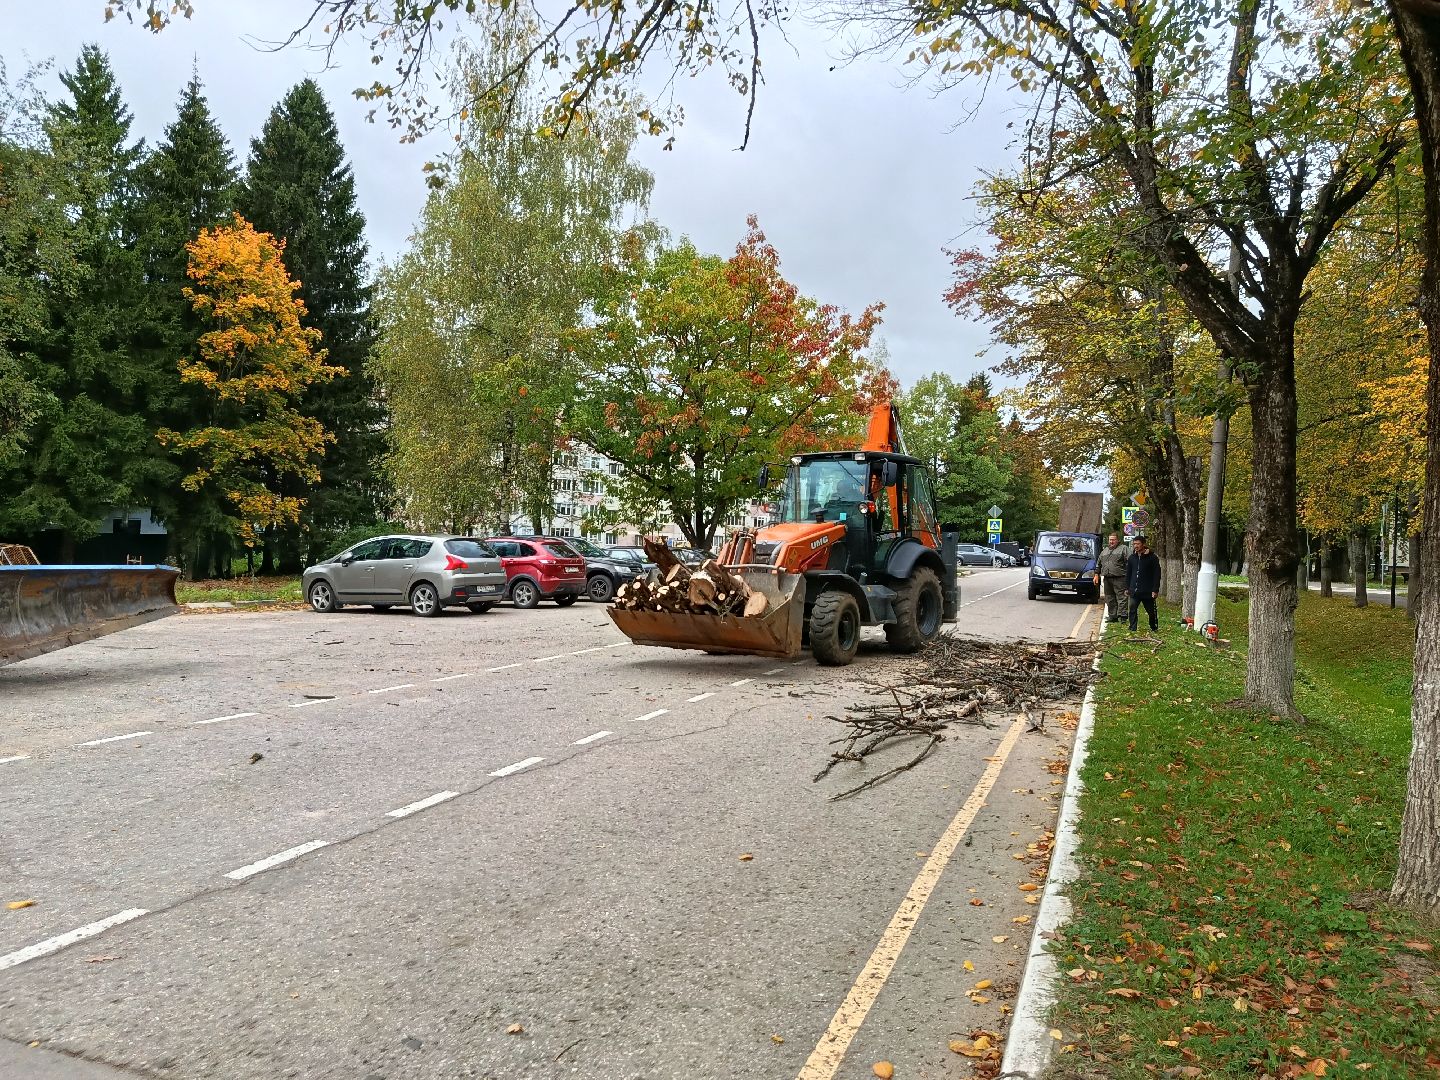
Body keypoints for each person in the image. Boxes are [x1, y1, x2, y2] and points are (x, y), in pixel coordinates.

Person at [1126, 534, 1162, 632]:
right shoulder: (1132, 558)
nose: (1136, 546)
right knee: (1132, 609)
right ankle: (1132, 628)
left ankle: (1153, 627)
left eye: (1138, 544)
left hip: (1147, 591)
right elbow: (1128, 573)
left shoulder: (1152, 558)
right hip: (1134, 591)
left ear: (1143, 544)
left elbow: (1157, 575)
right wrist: (1127, 587)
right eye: (1134, 544)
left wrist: (1155, 590)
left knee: (1151, 611)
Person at [1092, 532, 1129, 623]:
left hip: (1120, 578)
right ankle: (1113, 616)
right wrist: (1096, 574)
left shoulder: (1123, 549)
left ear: (1118, 540)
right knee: (1109, 597)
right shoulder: (1104, 551)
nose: (1111, 541)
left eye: (1113, 540)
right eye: (1110, 540)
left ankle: (1123, 616)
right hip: (1107, 579)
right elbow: (1098, 564)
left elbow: (1130, 562)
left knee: (1121, 597)